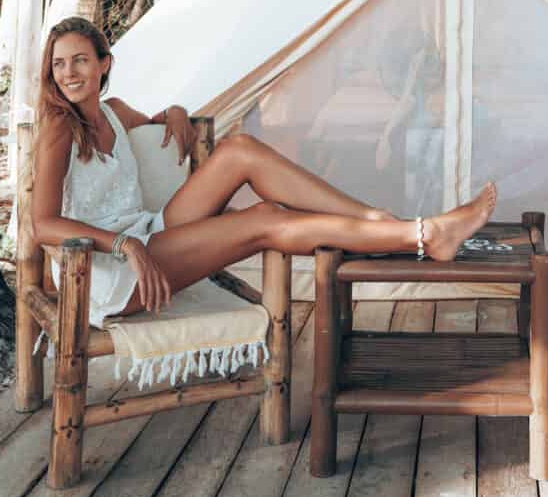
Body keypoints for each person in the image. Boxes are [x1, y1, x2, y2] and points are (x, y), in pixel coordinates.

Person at [31, 16, 497, 327]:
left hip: (149, 233)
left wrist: (173, 110)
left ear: (103, 63)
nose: (69, 73)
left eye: (80, 60)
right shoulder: (58, 129)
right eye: (59, 65)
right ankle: (421, 235)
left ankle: (374, 219)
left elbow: (155, 120)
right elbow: (42, 223)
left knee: (239, 149)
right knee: (264, 220)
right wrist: (125, 245)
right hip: (109, 271)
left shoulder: (113, 111)